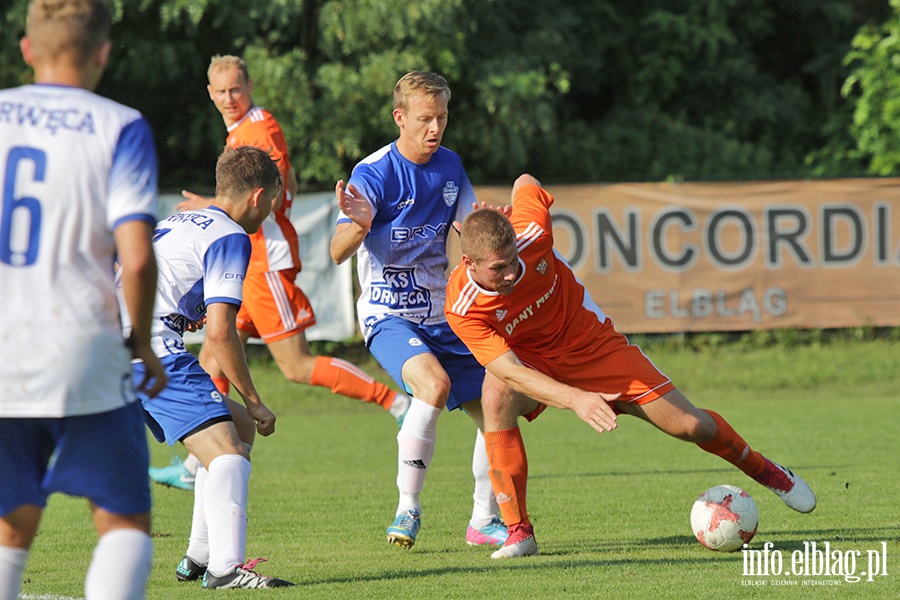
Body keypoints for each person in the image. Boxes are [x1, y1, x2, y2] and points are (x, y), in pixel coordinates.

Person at [444, 174, 817, 559]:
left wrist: (506, 211)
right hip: (534, 361)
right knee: (496, 394)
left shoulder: (532, 232)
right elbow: (510, 370)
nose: (510, 274)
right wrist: (577, 400)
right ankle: (519, 531)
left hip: (594, 346)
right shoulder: (461, 305)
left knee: (693, 426)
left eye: (513, 262)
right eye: (498, 269)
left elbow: (526, 181)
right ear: (469, 261)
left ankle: (770, 473)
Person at [150, 55, 411, 492]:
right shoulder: (242, 130)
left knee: (294, 366)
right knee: (213, 356)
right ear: (210, 94)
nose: (228, 98)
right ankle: (198, 465)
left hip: (261, 262)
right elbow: (277, 183)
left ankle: (396, 403)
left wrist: (208, 208)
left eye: (235, 89)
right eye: (219, 91)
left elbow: (271, 190)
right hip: (245, 263)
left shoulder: (259, 128)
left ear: (249, 86)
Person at [0, 1, 167, 598]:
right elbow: (139, 257)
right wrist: (142, 342)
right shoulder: (119, 125)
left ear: (26, 49)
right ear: (103, 53)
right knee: (123, 521)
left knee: (9, 522)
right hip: (83, 345)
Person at [330, 71, 508, 549]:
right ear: (400, 117)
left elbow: (470, 230)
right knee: (433, 384)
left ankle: (483, 519)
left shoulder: (449, 166)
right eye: (425, 119)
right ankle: (407, 509)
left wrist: (489, 228)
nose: (435, 128)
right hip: (389, 315)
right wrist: (359, 224)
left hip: (443, 313)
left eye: (442, 117)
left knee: (498, 402)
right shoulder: (374, 173)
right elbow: (336, 250)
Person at [126, 145, 292, 588]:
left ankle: (199, 555)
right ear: (258, 196)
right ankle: (226, 568)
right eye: (273, 201)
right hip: (150, 348)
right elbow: (220, 333)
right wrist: (255, 400)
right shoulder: (230, 237)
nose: (270, 211)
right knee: (229, 454)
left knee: (237, 428)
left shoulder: (179, 220)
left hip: (112, 341)